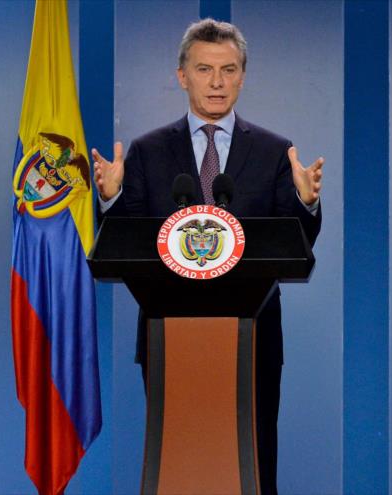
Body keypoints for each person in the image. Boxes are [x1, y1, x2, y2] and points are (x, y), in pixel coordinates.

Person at [91, 19, 323, 494]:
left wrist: (306, 203)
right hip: (168, 337)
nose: (216, 82)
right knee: (178, 459)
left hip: (253, 340)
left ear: (242, 76)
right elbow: (128, 242)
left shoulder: (276, 152)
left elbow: (296, 243)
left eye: (228, 69)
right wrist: (112, 200)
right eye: (204, 69)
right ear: (183, 75)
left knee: (253, 463)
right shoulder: (148, 151)